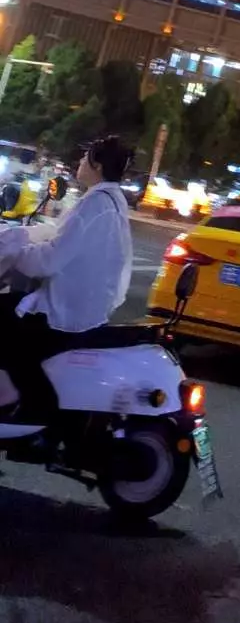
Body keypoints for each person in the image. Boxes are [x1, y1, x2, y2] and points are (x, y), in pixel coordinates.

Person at [0, 134, 134, 417]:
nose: (80, 162)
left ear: (97, 164)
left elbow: (50, 259)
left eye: (85, 157)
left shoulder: (94, 204)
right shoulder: (113, 201)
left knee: (8, 333)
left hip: (68, 312)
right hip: (90, 306)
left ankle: (38, 407)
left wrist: (16, 253)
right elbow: (67, 245)